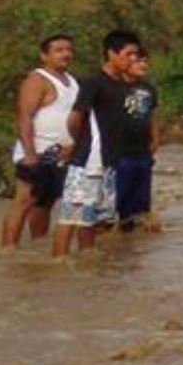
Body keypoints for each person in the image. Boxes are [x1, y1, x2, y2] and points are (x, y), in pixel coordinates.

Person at [55, 30, 144, 257]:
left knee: (91, 219)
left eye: (136, 54)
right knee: (70, 217)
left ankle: (87, 261)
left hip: (110, 162)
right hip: (88, 161)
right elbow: (75, 118)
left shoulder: (124, 86)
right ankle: (58, 265)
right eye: (128, 54)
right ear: (111, 54)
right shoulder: (93, 82)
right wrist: (77, 144)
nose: (133, 59)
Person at [1, 33, 76, 249]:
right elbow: (24, 117)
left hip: (61, 153)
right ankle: (8, 251)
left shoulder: (71, 81)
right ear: (44, 56)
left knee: (46, 203)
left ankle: (36, 246)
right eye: (59, 50)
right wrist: (30, 154)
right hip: (37, 151)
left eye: (69, 50)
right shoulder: (37, 80)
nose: (66, 54)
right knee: (24, 202)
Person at [115, 48, 162, 232]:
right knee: (120, 194)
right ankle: (118, 228)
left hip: (143, 150)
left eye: (145, 61)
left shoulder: (148, 88)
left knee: (142, 197)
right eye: (137, 61)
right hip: (120, 151)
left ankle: (135, 235)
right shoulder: (115, 87)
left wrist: (156, 138)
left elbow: (152, 115)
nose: (143, 65)